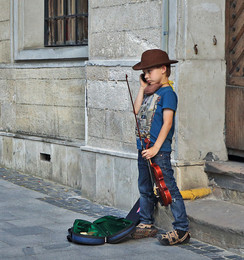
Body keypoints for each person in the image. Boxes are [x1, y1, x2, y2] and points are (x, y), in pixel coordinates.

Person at [131, 49, 190, 245]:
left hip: (159, 152)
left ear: (163, 69)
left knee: (168, 188)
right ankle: (146, 222)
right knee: (145, 187)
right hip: (144, 149)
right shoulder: (149, 93)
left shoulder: (168, 93)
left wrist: (156, 148)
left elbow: (167, 123)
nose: (146, 76)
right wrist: (141, 88)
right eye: (144, 73)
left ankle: (181, 228)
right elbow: (136, 110)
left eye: (149, 71)